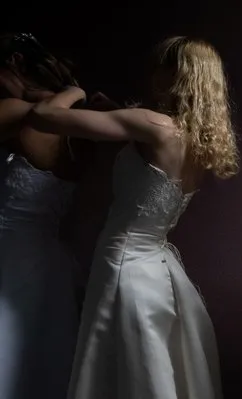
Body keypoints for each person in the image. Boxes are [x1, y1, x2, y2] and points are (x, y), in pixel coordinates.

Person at [26, 36, 239, 399]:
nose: (153, 72)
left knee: (117, 368)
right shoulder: (199, 140)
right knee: (145, 366)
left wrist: (72, 92)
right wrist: (115, 111)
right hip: (158, 264)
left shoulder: (149, 125)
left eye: (161, 65)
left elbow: (43, 118)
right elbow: (145, 140)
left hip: (122, 261)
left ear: (176, 74)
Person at [0, 32, 84, 399]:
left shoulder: (12, 112)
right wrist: (75, 93)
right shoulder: (80, 124)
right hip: (49, 263)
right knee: (37, 366)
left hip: (8, 253)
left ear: (16, 63)